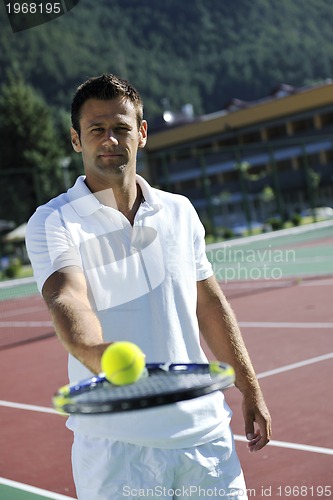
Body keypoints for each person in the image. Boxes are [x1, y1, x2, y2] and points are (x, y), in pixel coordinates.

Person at [26, 74, 271, 500]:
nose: (110, 140)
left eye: (121, 128)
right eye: (96, 130)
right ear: (76, 140)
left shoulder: (180, 211)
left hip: (204, 438)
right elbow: (66, 294)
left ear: (141, 133)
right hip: (117, 451)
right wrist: (95, 353)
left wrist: (249, 384)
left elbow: (208, 302)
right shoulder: (53, 220)